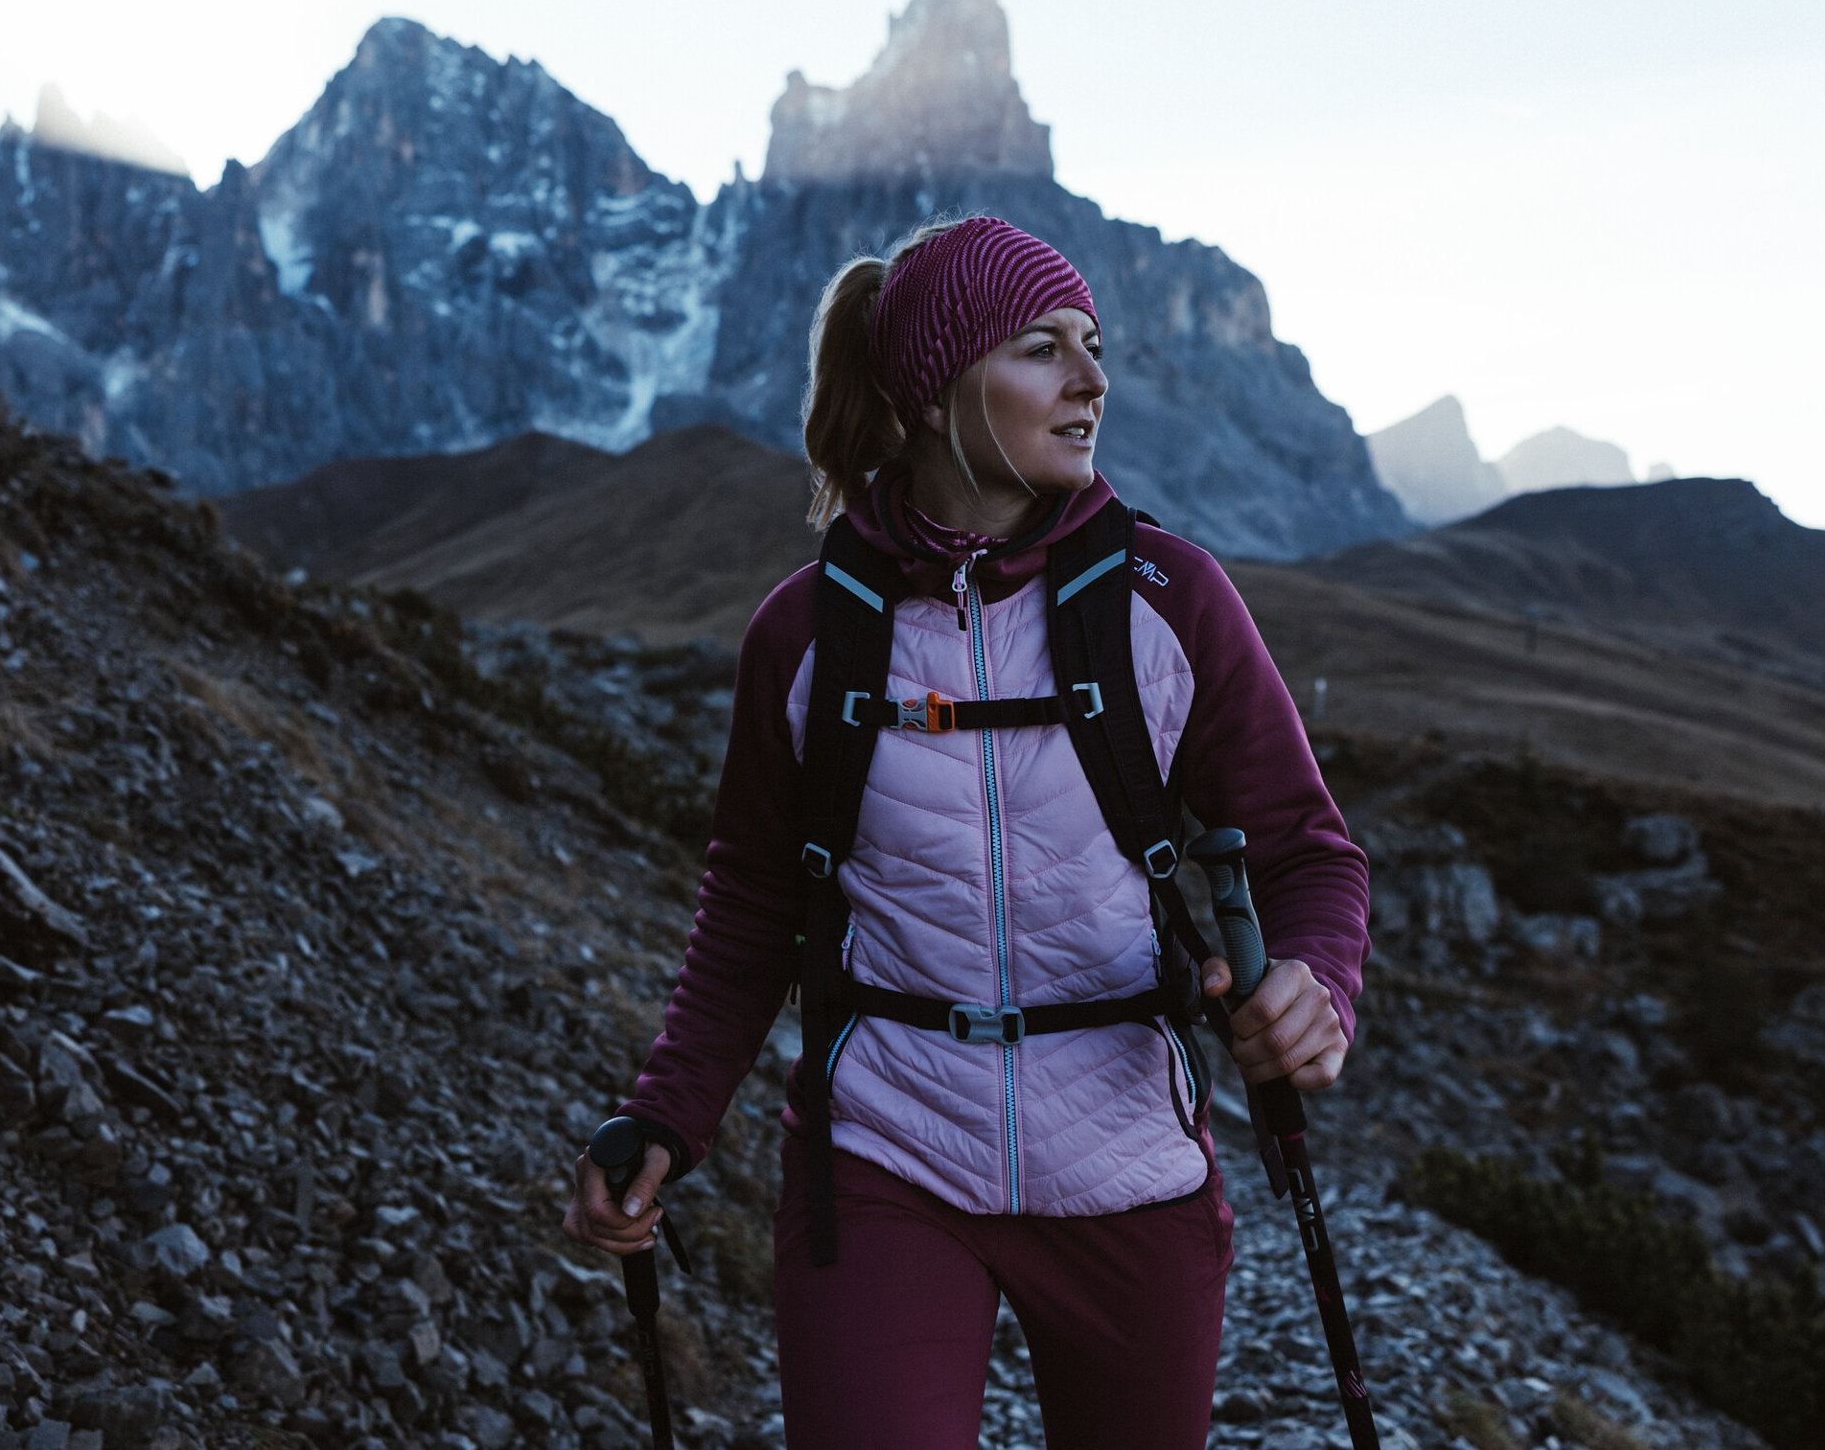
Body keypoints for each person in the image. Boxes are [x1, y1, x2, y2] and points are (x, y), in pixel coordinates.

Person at [563, 216, 1369, 1449]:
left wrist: (1318, 984)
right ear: (935, 390)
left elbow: (1310, 851)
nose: (1092, 379)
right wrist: (666, 1116)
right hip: (884, 1165)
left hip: (1132, 1174)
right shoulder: (806, 635)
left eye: (1093, 346)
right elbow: (750, 909)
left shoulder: (1172, 599)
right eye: (1043, 349)